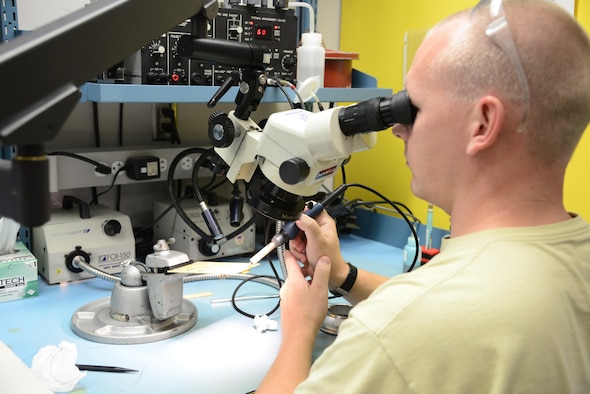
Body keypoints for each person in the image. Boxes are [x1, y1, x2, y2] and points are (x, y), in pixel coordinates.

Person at [256, 0, 590, 392]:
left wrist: (299, 327)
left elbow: (420, 318)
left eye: (411, 109)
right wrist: (343, 276)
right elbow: (456, 311)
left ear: (482, 123)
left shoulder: (399, 329)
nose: (397, 130)